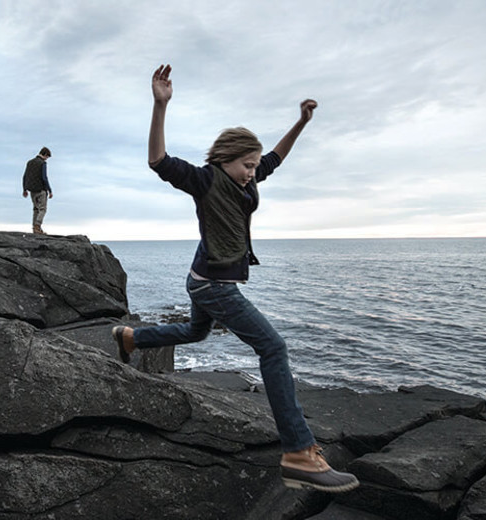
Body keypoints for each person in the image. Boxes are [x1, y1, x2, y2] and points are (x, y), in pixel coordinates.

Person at [112, 64, 359, 493]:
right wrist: (160, 105)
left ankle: (131, 338)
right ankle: (299, 453)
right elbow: (157, 160)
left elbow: (276, 158)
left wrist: (300, 123)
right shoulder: (204, 180)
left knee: (194, 332)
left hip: (203, 274)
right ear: (225, 159)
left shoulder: (246, 181)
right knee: (273, 346)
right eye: (246, 164)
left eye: (254, 165)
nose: (252, 171)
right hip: (213, 284)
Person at [22, 147, 53, 234]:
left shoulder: (30, 162)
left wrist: (24, 189)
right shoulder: (42, 163)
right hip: (41, 190)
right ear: (45, 155)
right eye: (47, 157)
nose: (47, 159)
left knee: (36, 209)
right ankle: (37, 225)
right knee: (42, 209)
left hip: (32, 190)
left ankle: (35, 228)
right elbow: (44, 178)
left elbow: (25, 176)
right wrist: (50, 190)